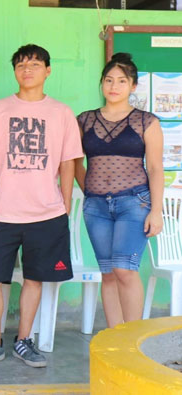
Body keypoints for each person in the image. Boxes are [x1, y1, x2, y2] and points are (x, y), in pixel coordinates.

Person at [0, 44, 83, 368]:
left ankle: (24, 340)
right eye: (20, 65)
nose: (26, 69)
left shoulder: (61, 113)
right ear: (14, 72)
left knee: (35, 279)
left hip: (47, 213)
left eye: (34, 64)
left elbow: (68, 162)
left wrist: (65, 203)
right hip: (1, 212)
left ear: (48, 70)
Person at [74, 53, 163, 328]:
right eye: (109, 80)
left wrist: (156, 211)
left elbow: (156, 168)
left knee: (124, 269)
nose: (114, 86)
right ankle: (115, 339)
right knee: (109, 273)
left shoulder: (147, 122)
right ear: (101, 83)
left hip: (134, 202)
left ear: (133, 86)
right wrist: (89, 191)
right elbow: (75, 162)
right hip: (96, 207)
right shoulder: (84, 120)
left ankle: (131, 338)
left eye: (122, 81)